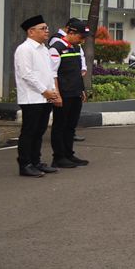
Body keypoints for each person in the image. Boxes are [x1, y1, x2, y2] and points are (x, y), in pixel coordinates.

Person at [13, 15, 59, 177]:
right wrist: (44, 91)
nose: (47, 31)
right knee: (29, 132)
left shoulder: (44, 49)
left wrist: (52, 91)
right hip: (31, 98)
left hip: (45, 97)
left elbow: (48, 73)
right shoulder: (24, 49)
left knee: (39, 131)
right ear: (31, 32)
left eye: (46, 28)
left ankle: (36, 161)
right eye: (43, 29)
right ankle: (25, 164)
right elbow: (27, 74)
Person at [48, 18, 90, 169]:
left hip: (75, 93)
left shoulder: (76, 48)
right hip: (63, 94)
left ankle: (68, 154)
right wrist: (56, 94)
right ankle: (58, 157)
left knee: (71, 127)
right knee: (60, 126)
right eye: (81, 37)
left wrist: (82, 90)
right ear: (70, 33)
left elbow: (77, 72)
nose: (82, 40)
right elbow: (53, 75)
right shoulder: (56, 48)